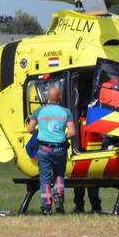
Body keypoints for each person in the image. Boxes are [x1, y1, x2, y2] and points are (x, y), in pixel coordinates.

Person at [27, 86, 77, 215]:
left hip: (43, 149)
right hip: (60, 149)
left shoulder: (39, 111)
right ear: (59, 97)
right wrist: (63, 136)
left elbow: (30, 129)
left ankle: (46, 206)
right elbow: (72, 133)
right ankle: (59, 199)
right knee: (59, 175)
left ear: (47, 97)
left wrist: (40, 132)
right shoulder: (66, 112)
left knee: (45, 179)